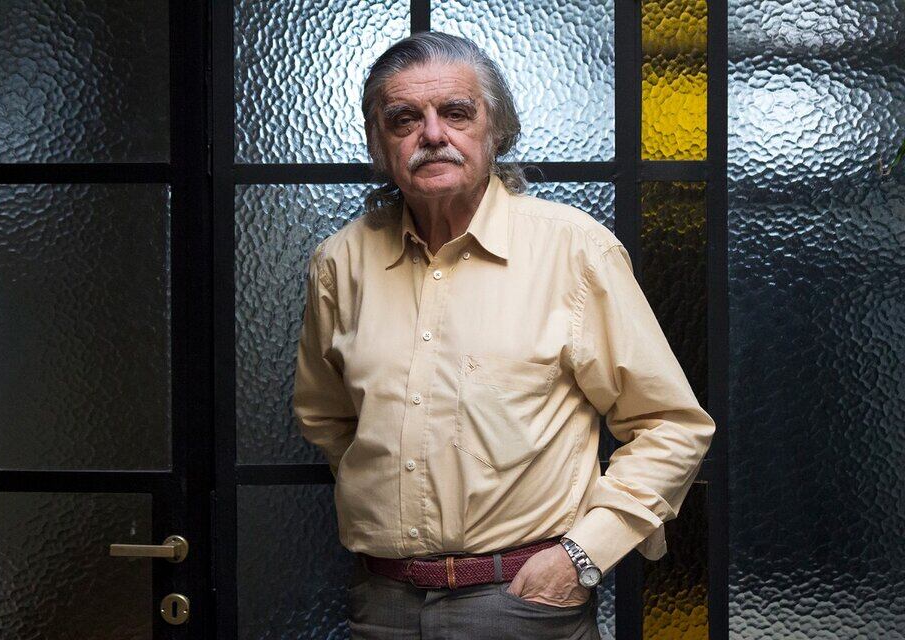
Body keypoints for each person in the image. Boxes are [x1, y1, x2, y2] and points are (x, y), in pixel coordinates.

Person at [292, 31, 715, 640]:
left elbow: (671, 424)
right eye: (404, 119)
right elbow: (328, 419)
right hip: (382, 604)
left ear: (497, 131)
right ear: (379, 144)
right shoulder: (340, 262)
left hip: (522, 601)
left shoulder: (574, 250)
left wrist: (581, 556)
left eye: (456, 113)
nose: (431, 134)